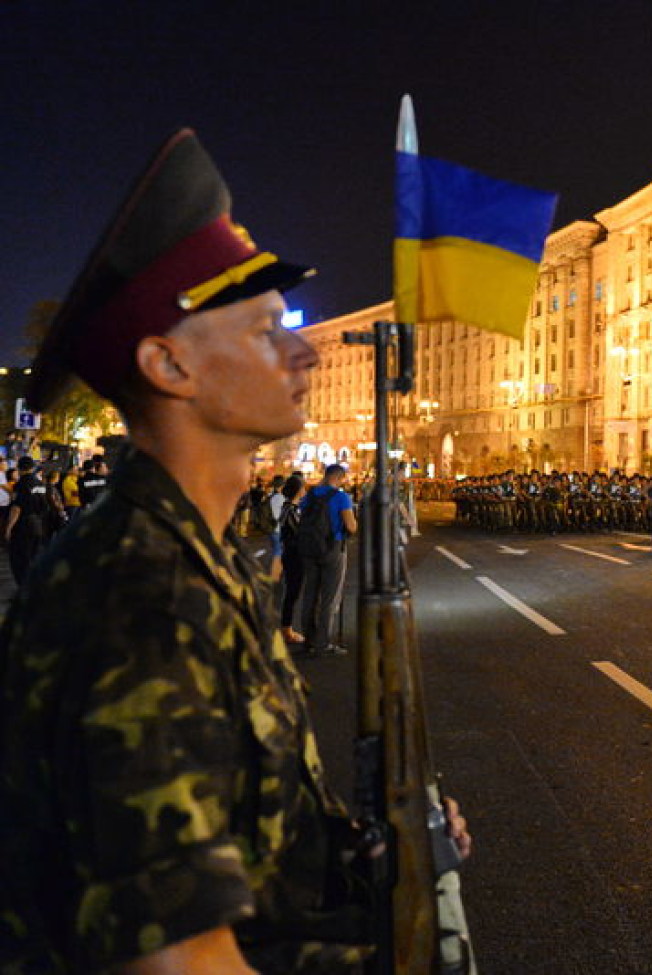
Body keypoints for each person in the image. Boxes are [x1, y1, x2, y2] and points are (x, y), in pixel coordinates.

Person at [0, 129, 468, 974]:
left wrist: (367, 845)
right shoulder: (135, 596)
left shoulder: (202, 558)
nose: (304, 351)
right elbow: (179, 958)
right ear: (169, 364)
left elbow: (240, 827)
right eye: (262, 331)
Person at [298, 463, 357, 657]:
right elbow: (351, 526)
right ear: (339, 478)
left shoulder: (309, 496)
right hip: (332, 549)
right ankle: (323, 643)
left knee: (310, 595)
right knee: (329, 597)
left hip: (309, 549)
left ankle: (309, 640)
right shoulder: (341, 497)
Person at [4, 456, 54, 585]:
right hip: (38, 524)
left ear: (19, 469)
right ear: (32, 468)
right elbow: (46, 505)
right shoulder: (40, 483)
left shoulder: (20, 485)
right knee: (34, 556)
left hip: (23, 526)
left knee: (20, 559)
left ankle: (24, 588)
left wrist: (9, 528)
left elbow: (17, 508)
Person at [278, 473, 308, 645]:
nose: (304, 490)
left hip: (291, 554)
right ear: (298, 490)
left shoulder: (289, 508)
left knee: (292, 591)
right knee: (292, 592)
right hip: (293, 555)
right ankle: (286, 630)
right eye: (303, 487)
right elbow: (296, 532)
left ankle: (287, 628)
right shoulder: (290, 509)